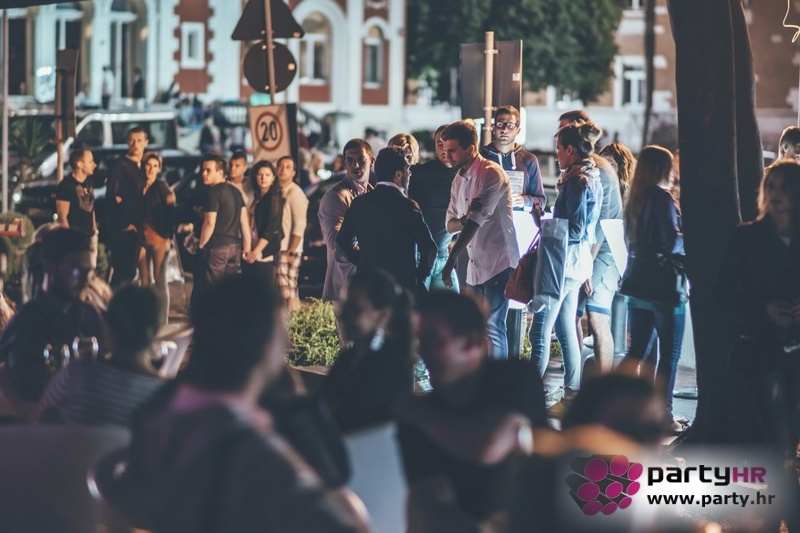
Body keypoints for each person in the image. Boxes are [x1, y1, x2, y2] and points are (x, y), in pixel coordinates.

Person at [101, 274, 370, 532]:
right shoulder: (251, 451)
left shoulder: (158, 412)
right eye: (281, 333)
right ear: (263, 345)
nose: (288, 344)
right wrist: (299, 404)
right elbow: (343, 518)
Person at [395, 290, 547, 529]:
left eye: (433, 339)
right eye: (419, 340)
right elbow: (425, 499)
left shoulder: (516, 377)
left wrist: (416, 412)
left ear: (470, 343)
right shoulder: (423, 413)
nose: (420, 352)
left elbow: (488, 445)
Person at [716, 159, 800, 460]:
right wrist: (764, 309)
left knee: (791, 428)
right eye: (771, 186)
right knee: (777, 431)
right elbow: (721, 294)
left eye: (785, 188)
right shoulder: (746, 236)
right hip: (761, 346)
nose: (776, 194)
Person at [528, 123, 600, 407]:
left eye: (559, 150)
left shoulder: (576, 181)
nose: (556, 155)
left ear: (570, 150)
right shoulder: (591, 176)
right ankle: (572, 393)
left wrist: (541, 222)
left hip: (563, 265)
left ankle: (529, 396)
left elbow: (575, 229)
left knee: (539, 330)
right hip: (577, 264)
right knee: (566, 327)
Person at [617, 146, 686, 432]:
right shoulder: (662, 198)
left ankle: (612, 402)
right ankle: (664, 416)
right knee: (669, 355)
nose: (673, 173)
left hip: (638, 284)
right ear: (661, 169)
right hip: (664, 288)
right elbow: (672, 242)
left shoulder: (634, 197)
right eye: (669, 167)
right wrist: (690, 237)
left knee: (637, 352)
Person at [0, 228, 107, 404]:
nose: (86, 279)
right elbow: (25, 394)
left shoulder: (90, 315)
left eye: (90, 271)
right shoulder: (25, 325)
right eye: (77, 270)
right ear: (50, 267)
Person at [441, 121, 519, 359]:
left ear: (471, 149)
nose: (447, 155)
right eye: (445, 150)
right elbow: (450, 224)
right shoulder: (458, 179)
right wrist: (465, 219)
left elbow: (475, 221)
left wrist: (452, 258)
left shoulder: (491, 173)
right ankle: (481, 374)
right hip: (475, 264)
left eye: (452, 150)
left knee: (494, 327)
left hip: (498, 261)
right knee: (476, 327)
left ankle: (498, 378)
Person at [37, 285, 163, 426]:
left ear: (107, 327)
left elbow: (40, 416)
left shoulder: (74, 374)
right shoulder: (166, 398)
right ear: (156, 332)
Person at [560, 111, 620, 375]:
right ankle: (575, 379)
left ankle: (601, 384)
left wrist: (588, 265)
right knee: (571, 316)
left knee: (597, 319)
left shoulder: (595, 170)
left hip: (602, 252)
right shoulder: (583, 169)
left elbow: (600, 224)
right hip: (590, 249)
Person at [322, 269, 414, 433]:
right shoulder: (349, 356)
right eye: (343, 306)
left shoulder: (389, 368)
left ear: (383, 316)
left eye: (354, 309)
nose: (342, 316)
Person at [336, 147, 436, 296]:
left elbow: (343, 239)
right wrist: (418, 277)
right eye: (407, 169)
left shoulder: (359, 203)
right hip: (402, 286)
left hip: (369, 285)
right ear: (398, 174)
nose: (410, 174)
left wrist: (362, 261)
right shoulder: (407, 206)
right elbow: (430, 249)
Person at [319, 139, 374, 345]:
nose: (356, 165)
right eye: (350, 160)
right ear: (344, 164)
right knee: (352, 350)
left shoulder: (373, 192)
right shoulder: (335, 196)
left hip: (367, 284)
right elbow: (336, 241)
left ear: (372, 161)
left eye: (361, 159)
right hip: (345, 282)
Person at [194, 154, 251, 309]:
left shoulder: (213, 193)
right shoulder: (236, 192)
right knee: (227, 291)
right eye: (203, 170)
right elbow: (244, 223)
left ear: (220, 172)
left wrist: (201, 246)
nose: (203, 173)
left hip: (217, 247)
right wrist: (246, 247)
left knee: (213, 292)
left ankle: (214, 321)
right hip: (235, 248)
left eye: (208, 170)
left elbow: (209, 223)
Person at [408, 124, 459, 291]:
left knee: (452, 305)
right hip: (420, 255)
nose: (444, 149)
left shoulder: (464, 173)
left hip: (445, 256)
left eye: (448, 143)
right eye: (439, 144)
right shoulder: (422, 173)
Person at [480, 105, 546, 212]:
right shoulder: (481, 159)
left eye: (510, 125)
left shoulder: (529, 160)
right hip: (487, 220)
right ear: (493, 128)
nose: (505, 130)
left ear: (518, 130)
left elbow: (541, 201)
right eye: (500, 124)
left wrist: (524, 201)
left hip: (519, 220)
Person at [106, 127, 148, 288]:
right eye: (132, 140)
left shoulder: (143, 166)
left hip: (140, 227)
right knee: (123, 273)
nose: (135, 144)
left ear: (146, 142)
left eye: (139, 140)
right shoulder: (120, 165)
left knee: (132, 272)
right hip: (124, 230)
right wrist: (124, 223)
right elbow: (111, 196)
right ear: (127, 142)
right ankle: (114, 301)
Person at [138, 152, 175, 322]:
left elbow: (171, 207)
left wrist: (169, 234)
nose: (151, 169)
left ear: (159, 169)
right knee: (144, 281)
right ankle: (146, 319)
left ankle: (162, 320)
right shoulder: (139, 186)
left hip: (159, 238)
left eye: (155, 166)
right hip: (142, 238)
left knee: (160, 280)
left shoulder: (160, 186)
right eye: (148, 165)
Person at [242, 160, 284, 285]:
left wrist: (255, 252)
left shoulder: (274, 197)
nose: (263, 178)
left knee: (263, 288)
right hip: (251, 248)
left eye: (267, 175)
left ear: (273, 178)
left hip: (264, 253)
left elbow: (272, 227)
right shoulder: (256, 196)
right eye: (260, 174)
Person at [275, 156, 309, 311]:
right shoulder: (278, 190)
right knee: (284, 288)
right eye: (280, 166)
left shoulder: (295, 193)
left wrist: (291, 250)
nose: (283, 170)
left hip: (289, 248)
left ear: (294, 172)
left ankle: (294, 320)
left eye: (288, 167)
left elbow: (300, 224)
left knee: (288, 290)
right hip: (280, 246)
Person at [56, 147, 97, 236]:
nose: (94, 165)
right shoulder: (66, 185)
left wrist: (94, 231)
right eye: (90, 162)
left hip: (88, 235)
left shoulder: (89, 182)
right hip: (74, 237)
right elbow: (62, 217)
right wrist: (69, 237)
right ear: (79, 164)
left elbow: (91, 209)